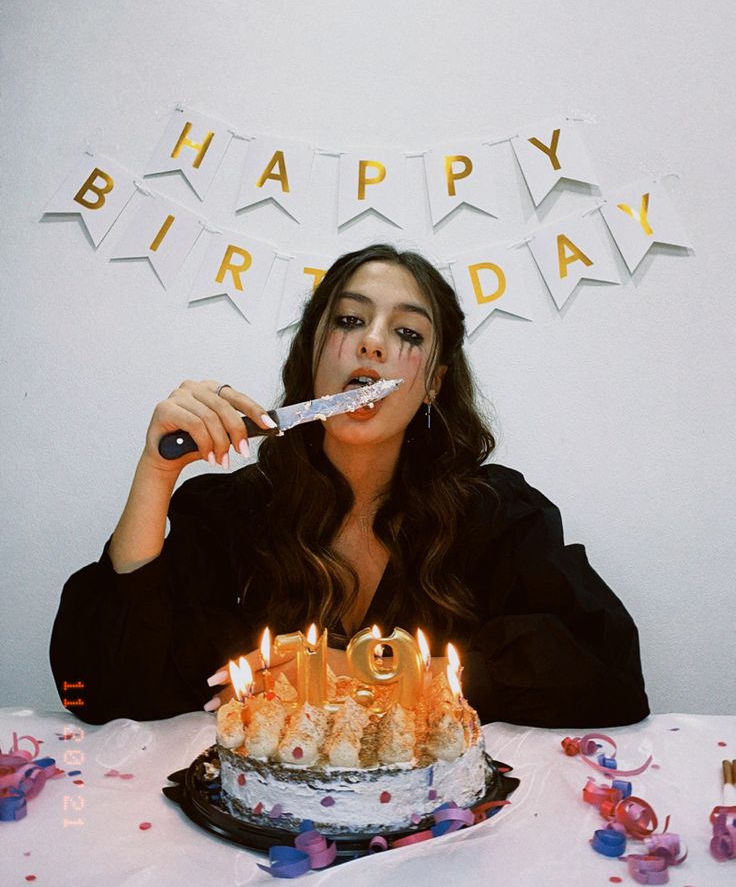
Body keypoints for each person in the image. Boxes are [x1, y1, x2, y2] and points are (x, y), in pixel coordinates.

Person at [50, 243, 649, 728]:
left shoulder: (495, 514)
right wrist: (155, 473)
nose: (373, 341)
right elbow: (94, 690)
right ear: (316, 356)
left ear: (434, 384)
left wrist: (364, 672)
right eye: (349, 320)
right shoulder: (227, 512)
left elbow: (614, 682)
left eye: (408, 334)